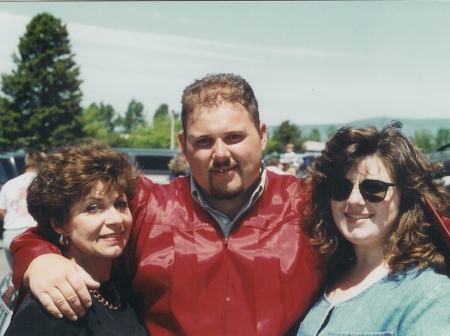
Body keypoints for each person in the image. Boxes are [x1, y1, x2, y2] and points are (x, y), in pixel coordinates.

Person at [11, 74, 322, 335]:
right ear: (183, 145)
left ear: (263, 135)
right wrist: (40, 261)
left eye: (234, 137)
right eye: (203, 141)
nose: (221, 153)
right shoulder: (146, 206)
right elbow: (52, 229)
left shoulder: (310, 206)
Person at [297, 122, 450, 335]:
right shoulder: (321, 279)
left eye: (374, 188)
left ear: (406, 197)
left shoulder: (429, 296)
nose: (354, 200)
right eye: (341, 187)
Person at [5, 140, 146, 335]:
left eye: (120, 204)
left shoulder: (120, 285)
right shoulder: (55, 303)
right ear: (59, 224)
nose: (115, 219)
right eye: (93, 208)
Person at [0, 150, 46, 269]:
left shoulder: (8, 184)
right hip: (36, 234)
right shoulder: (45, 183)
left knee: (17, 278)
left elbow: (1, 211)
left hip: (10, 236)